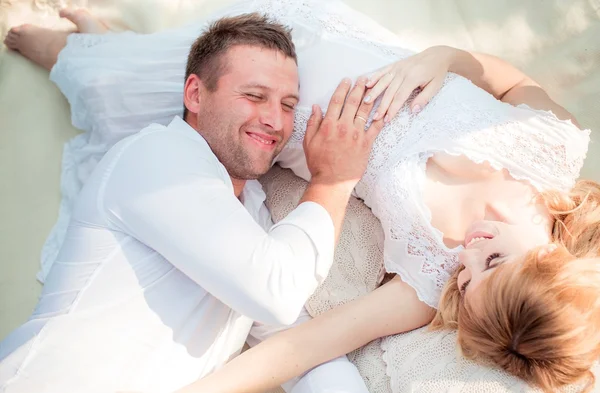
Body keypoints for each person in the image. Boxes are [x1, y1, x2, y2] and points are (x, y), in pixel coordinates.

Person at [4, 0, 600, 392]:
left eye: (468, 278)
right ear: (553, 260)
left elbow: (299, 348)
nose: (467, 255)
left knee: (124, 84)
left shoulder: (428, 275)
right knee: (202, 56)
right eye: (491, 260)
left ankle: (78, 54)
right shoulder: (552, 148)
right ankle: (114, 46)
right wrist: (442, 58)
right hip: (323, 37)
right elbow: (513, 80)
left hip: (275, 114)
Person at [0, 9, 385, 393]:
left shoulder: (252, 214)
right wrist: (333, 179)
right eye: (254, 96)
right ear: (195, 94)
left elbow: (297, 344)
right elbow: (277, 292)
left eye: (288, 105)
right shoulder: (156, 158)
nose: (275, 120)